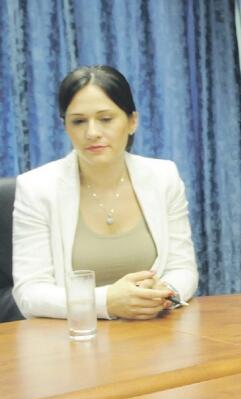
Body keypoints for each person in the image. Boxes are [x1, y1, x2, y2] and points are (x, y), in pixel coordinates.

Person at [12, 65, 198, 320]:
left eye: (106, 119)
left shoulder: (163, 176)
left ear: (132, 121)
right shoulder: (36, 188)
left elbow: (183, 267)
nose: (92, 133)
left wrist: (163, 293)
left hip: (154, 330)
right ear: (65, 126)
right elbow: (29, 294)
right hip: (74, 335)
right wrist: (107, 302)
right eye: (78, 121)